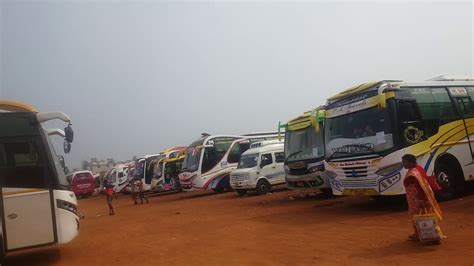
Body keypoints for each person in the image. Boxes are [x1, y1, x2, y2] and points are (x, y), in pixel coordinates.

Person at [402, 154, 444, 244]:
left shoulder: (413, 173)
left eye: (405, 162)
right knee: (428, 216)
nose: (403, 164)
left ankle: (426, 236)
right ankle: (429, 234)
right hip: (423, 197)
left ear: (411, 162)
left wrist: (421, 200)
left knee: (419, 217)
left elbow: (420, 187)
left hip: (418, 199)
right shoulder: (418, 168)